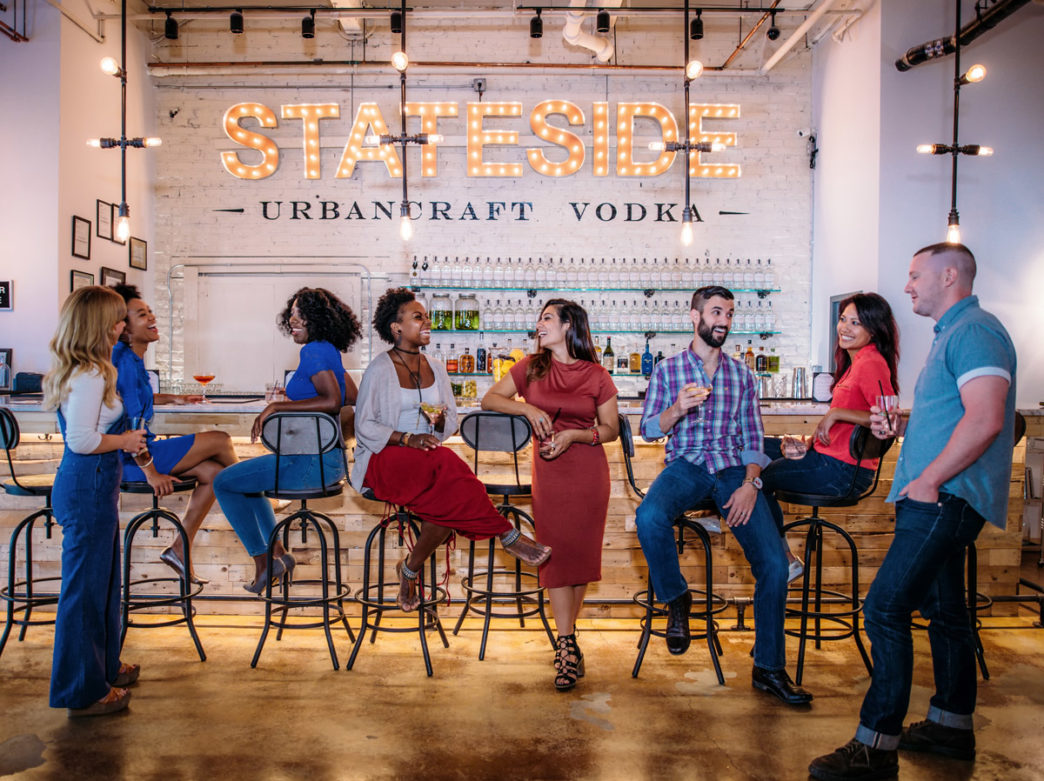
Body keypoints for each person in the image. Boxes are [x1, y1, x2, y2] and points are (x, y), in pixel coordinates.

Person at [809, 243, 1017, 781]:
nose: (906, 287)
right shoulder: (954, 334)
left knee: (883, 609)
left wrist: (927, 479)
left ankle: (875, 747)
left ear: (948, 275)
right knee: (946, 613)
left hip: (943, 497)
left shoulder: (974, 331)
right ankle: (950, 726)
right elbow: (955, 417)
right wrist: (900, 429)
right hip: (942, 495)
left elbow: (989, 417)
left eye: (914, 275)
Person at [635, 285, 811, 706]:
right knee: (648, 518)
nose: (724, 322)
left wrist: (752, 483)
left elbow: (752, 438)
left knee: (772, 562)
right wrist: (676, 409)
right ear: (694, 317)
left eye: (730, 314)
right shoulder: (668, 371)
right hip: (687, 465)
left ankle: (769, 668)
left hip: (733, 470)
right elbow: (648, 429)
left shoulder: (742, 376)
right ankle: (677, 600)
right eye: (716, 312)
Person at [352, 288, 551, 613]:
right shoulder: (379, 368)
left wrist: (439, 420)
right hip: (382, 459)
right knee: (448, 463)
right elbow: (365, 426)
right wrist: (407, 438)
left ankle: (409, 569)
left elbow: (450, 423)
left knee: (449, 497)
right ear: (396, 327)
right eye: (418, 317)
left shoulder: (436, 367)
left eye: (427, 316)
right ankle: (507, 534)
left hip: (425, 463)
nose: (427, 321)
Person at [483, 299, 619, 690]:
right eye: (540, 318)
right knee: (556, 556)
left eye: (546, 318)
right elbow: (489, 399)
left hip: (589, 474)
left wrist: (576, 434)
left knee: (579, 558)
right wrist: (526, 410)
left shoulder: (597, 375)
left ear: (568, 326)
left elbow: (608, 429)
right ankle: (566, 644)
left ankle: (566, 641)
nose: (538, 324)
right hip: (551, 474)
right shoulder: (530, 367)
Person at [42, 286, 149, 717]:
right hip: (87, 482)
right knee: (84, 592)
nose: (123, 324)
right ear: (100, 324)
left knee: (103, 584)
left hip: (94, 483)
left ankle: (103, 667)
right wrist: (125, 439)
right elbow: (82, 439)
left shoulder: (88, 369)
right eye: (118, 318)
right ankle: (83, 690)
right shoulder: (90, 374)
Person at [213, 287, 361, 593]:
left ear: (316, 319)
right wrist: (299, 401)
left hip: (307, 463)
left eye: (300, 313)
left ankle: (264, 560)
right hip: (331, 464)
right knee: (248, 486)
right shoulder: (328, 349)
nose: (292, 319)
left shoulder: (313, 351)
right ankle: (277, 555)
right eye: (291, 313)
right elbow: (352, 396)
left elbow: (333, 400)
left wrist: (278, 406)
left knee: (224, 482)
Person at [761, 293, 900, 582]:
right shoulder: (855, 363)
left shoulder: (871, 362)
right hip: (828, 460)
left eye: (856, 323)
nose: (845, 328)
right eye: (842, 320)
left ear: (873, 330)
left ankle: (783, 560)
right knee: (754, 447)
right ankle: (713, 508)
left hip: (843, 472)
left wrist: (837, 413)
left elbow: (889, 422)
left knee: (756, 477)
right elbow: (840, 430)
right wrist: (807, 442)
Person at [109, 284, 238, 584]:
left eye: (149, 310)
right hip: (132, 460)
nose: (152, 316)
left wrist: (174, 398)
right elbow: (127, 425)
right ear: (124, 328)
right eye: (141, 314)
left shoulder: (131, 358)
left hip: (140, 453)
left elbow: (139, 399)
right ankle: (256, 492)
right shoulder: (123, 361)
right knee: (220, 440)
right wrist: (152, 473)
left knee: (215, 474)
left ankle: (180, 548)